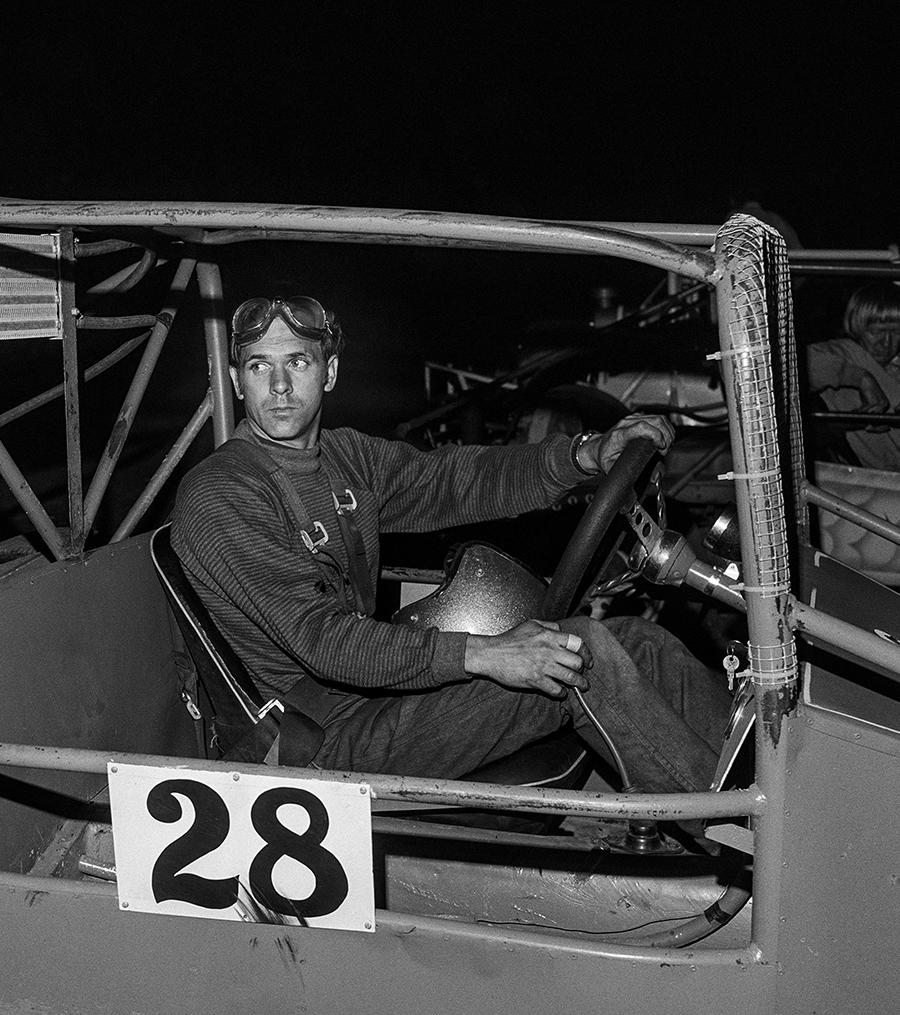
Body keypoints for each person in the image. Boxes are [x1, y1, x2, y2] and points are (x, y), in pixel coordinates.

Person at [169, 295, 730, 792]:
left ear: (330, 371)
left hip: (367, 697)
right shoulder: (224, 492)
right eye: (259, 366)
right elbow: (323, 641)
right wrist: (486, 654)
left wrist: (582, 456)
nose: (281, 386)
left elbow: (454, 481)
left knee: (635, 640)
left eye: (298, 361)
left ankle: (755, 779)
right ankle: (735, 840)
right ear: (238, 381)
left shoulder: (343, 458)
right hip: (317, 741)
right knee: (581, 655)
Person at [806, 284, 900, 471]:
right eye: (876, 332)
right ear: (857, 327)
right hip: (872, 484)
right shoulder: (842, 354)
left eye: (896, 332)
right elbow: (798, 366)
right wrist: (861, 378)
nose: (886, 342)